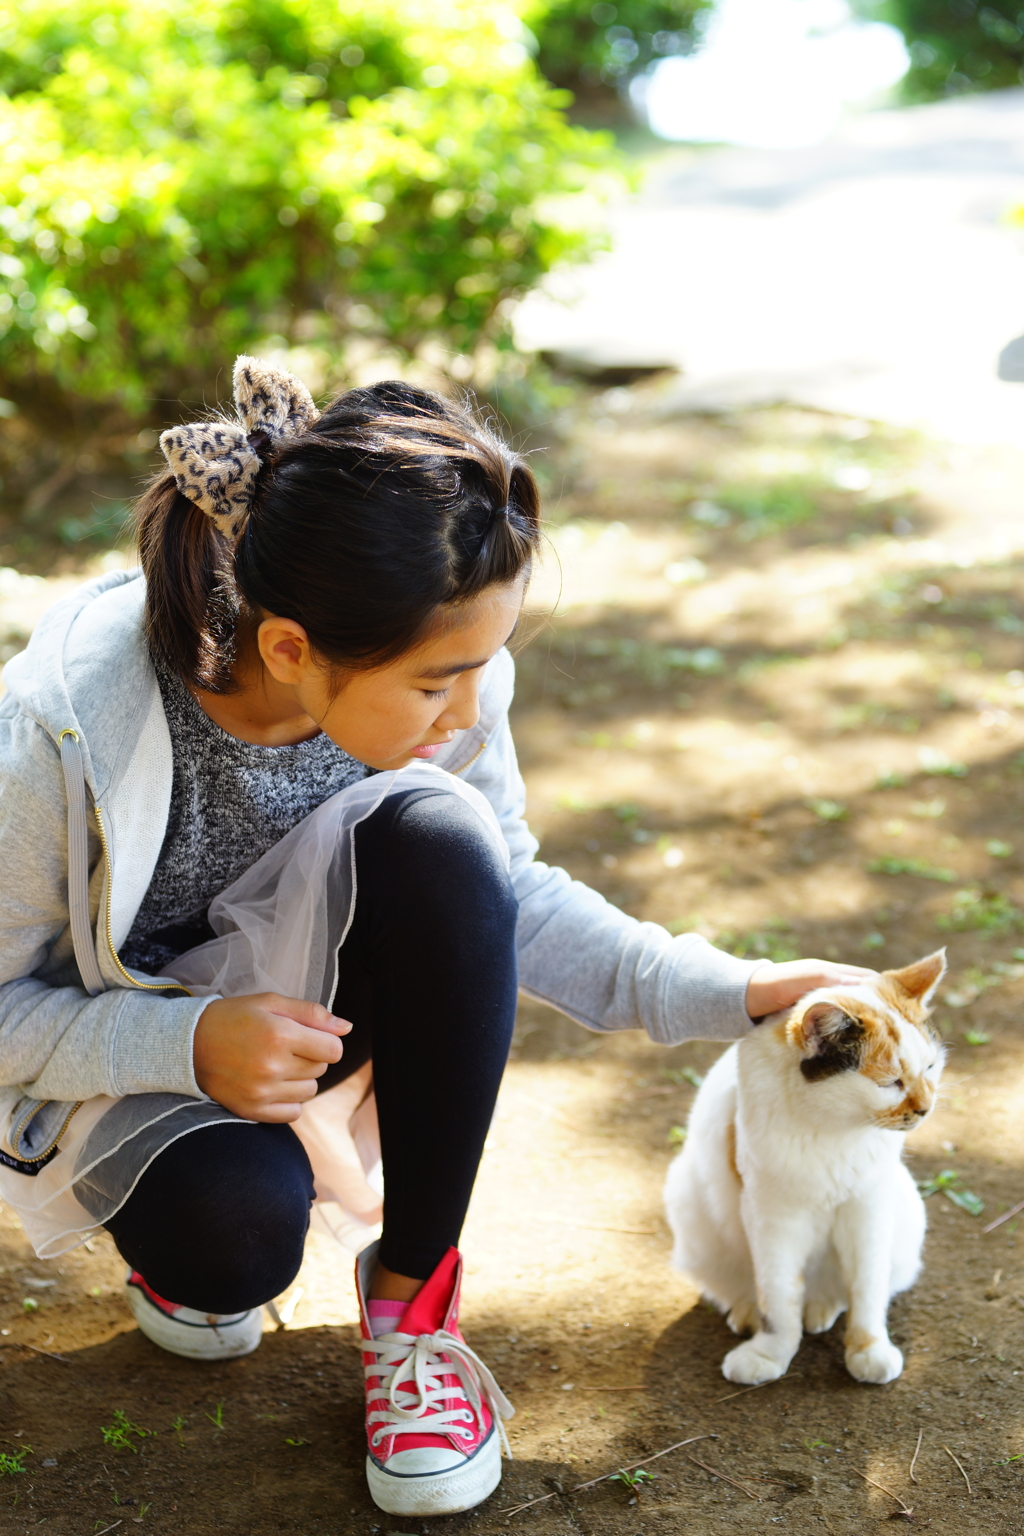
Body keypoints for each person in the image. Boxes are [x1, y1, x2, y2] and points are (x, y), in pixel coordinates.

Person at [0, 357, 873, 1519]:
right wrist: (188, 1047)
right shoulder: (58, 730)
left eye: (482, 667)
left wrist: (741, 988)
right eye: (436, 684)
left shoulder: (443, 679)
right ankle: (182, 1243)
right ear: (292, 651)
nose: (468, 710)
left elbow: (501, 896)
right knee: (232, 1241)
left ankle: (412, 1311)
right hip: (114, 1041)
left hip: (294, 1000)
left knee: (444, 840)